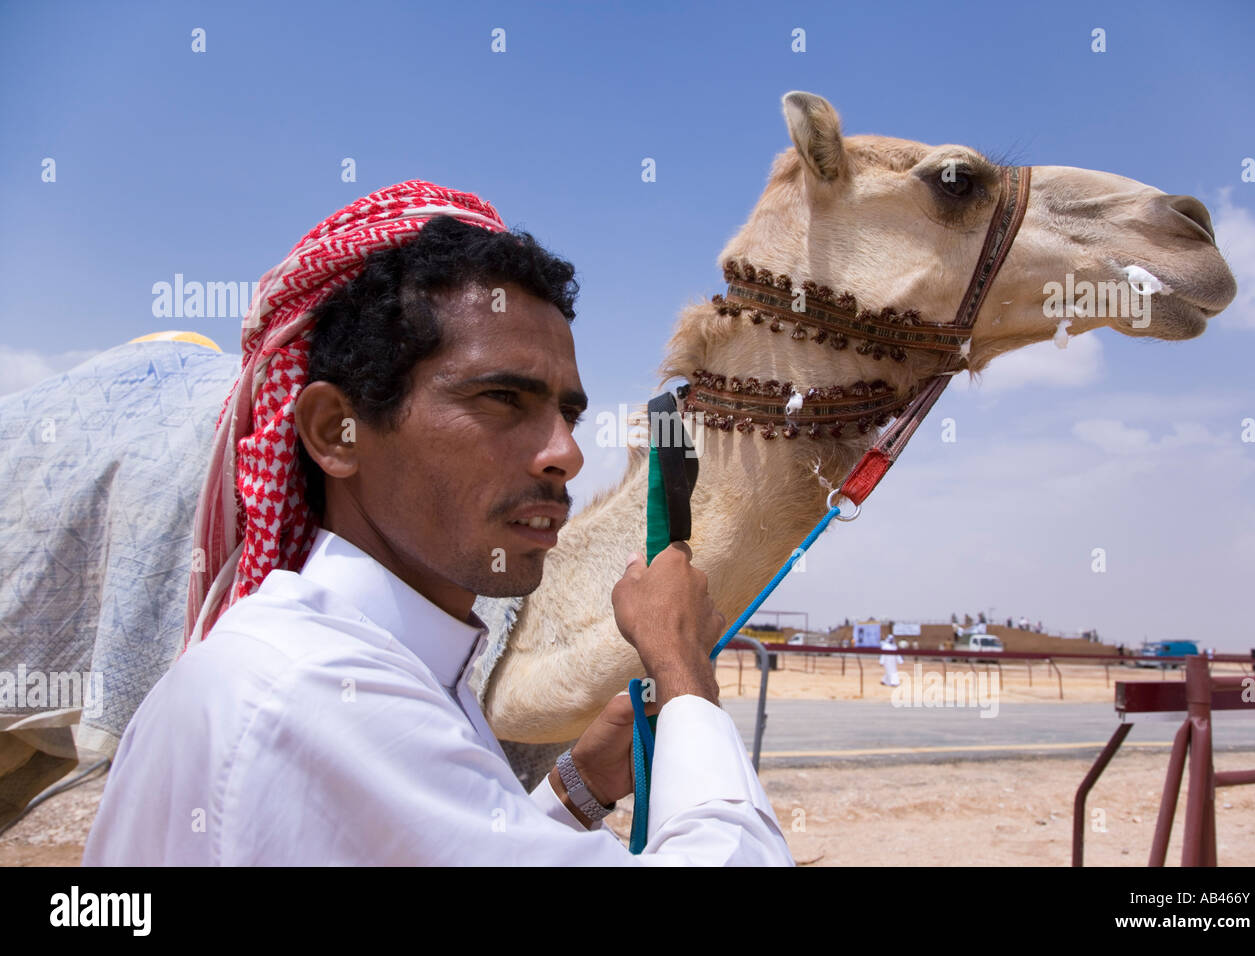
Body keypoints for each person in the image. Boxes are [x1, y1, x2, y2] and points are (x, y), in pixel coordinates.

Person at [82, 181, 792, 866]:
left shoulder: (382, 668)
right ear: (337, 432)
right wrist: (681, 669)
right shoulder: (317, 693)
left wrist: (582, 786)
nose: (566, 454)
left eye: (568, 415)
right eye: (501, 399)